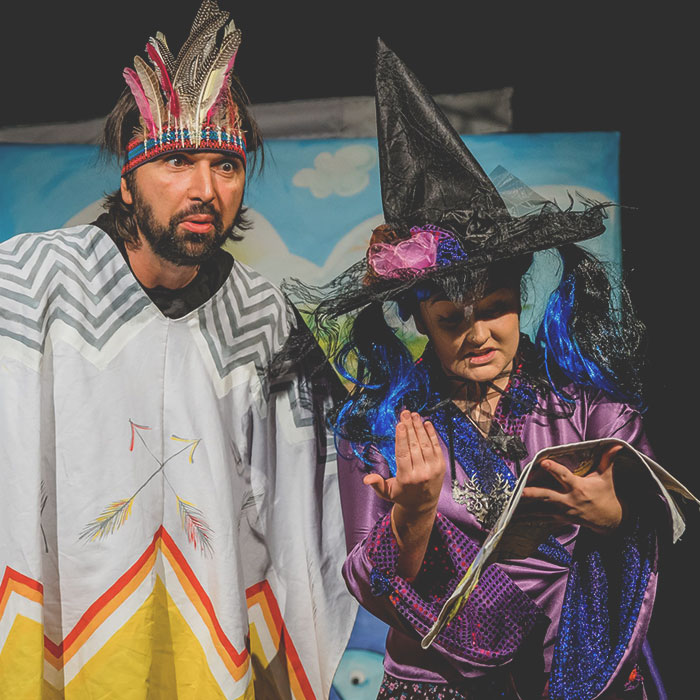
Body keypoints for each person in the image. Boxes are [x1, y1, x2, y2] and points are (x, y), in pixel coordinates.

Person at [289, 41, 690, 699]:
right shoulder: (377, 427)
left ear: (519, 298)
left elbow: (660, 529)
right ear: (419, 319)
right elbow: (365, 579)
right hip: (439, 684)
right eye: (452, 319)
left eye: (496, 309)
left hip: (577, 674)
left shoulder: (593, 413)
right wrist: (413, 515)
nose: (477, 335)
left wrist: (615, 515)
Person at [0, 2, 353, 697]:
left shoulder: (263, 315)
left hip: (208, 632)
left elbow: (310, 504)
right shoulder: (31, 281)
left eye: (225, 164)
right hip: (68, 627)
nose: (204, 189)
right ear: (127, 180)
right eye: (177, 161)